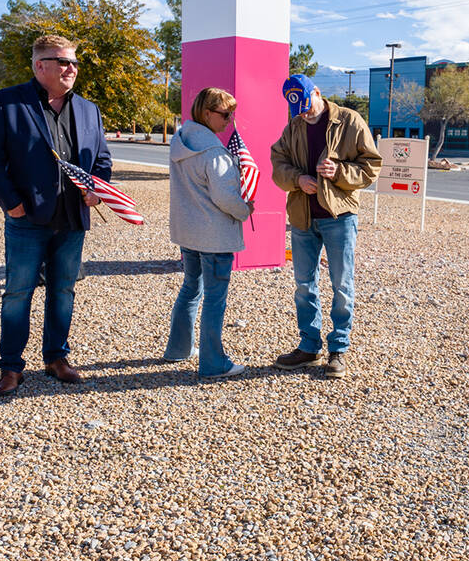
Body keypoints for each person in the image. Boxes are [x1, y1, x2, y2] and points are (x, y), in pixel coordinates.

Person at [0, 34, 112, 396]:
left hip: (72, 219)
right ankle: (10, 367)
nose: (71, 68)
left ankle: (56, 358)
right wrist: (12, 204)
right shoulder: (8, 102)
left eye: (74, 62)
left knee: (64, 290)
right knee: (18, 293)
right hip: (27, 218)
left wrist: (96, 189)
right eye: (63, 62)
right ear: (40, 66)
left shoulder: (88, 109)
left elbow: (101, 160)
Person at [269, 74, 381, 379]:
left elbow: (371, 166)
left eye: (307, 105)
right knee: (305, 286)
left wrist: (339, 171)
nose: (304, 113)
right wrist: (297, 179)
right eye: (298, 110)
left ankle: (338, 349)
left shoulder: (350, 120)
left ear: (317, 92)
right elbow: (277, 164)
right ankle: (309, 346)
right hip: (303, 218)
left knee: (342, 285)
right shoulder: (293, 126)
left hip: (340, 217)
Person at [162, 87, 254, 378]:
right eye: (226, 115)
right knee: (215, 298)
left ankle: (178, 348)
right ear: (207, 113)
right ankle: (214, 363)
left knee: (191, 288)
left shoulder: (180, 142)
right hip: (213, 236)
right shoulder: (213, 151)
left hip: (188, 231)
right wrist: (246, 209)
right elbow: (225, 198)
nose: (230, 121)